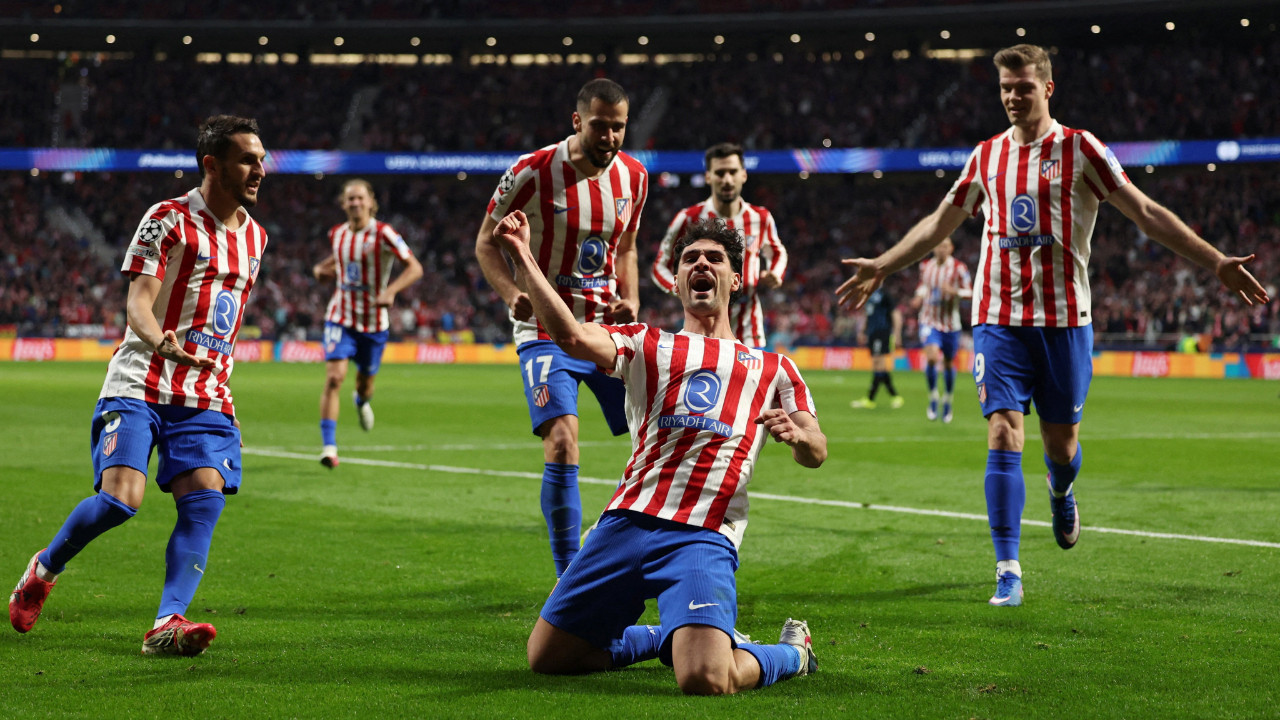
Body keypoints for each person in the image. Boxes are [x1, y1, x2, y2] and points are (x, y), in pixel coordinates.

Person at [836, 44, 1268, 607]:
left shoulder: (1081, 148)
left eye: (1023, 87)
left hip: (1064, 323)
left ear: (1047, 88)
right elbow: (939, 222)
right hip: (997, 319)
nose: (1013, 97)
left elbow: (1146, 213)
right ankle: (1008, 570)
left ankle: (1061, 490)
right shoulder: (986, 156)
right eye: (1005, 88)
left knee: (1061, 448)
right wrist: (882, 264)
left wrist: (1215, 262)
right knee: (1002, 431)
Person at [494, 210, 825, 695]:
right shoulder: (645, 343)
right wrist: (523, 256)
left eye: (714, 258)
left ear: (736, 280)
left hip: (701, 533)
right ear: (676, 281)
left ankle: (793, 654)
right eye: (690, 259)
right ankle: (663, 638)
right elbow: (571, 336)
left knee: (706, 679)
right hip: (626, 522)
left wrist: (798, 437)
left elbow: (816, 450)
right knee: (548, 658)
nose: (701, 264)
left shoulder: (774, 367)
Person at [9, 115, 270, 655]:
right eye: (247, 159)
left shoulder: (256, 237)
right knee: (120, 500)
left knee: (204, 499)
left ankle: (166, 623)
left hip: (204, 393)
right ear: (212, 165)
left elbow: (226, 322)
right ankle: (44, 569)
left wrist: (226, 398)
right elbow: (138, 303)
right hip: (140, 379)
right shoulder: (166, 219)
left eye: (262, 159)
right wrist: (160, 341)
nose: (260, 169)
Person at [474, 78, 648, 578]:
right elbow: (486, 242)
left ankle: (622, 539)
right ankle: (568, 578)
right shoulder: (531, 171)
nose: (610, 137)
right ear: (577, 121)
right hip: (546, 330)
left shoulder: (635, 177)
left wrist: (632, 297)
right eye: (600, 126)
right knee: (563, 441)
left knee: (653, 440)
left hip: (605, 331)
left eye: (618, 127)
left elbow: (628, 247)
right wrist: (511, 294)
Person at [312, 179, 423, 468]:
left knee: (364, 385)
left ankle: (361, 401)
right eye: (350, 198)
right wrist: (321, 270)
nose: (355, 203)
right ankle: (329, 447)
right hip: (340, 317)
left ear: (371, 202)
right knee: (334, 377)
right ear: (343, 203)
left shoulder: (384, 233)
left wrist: (391, 291)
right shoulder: (337, 233)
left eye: (360, 198)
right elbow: (340, 261)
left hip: (373, 323)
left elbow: (415, 267)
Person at [651, 142, 787, 348]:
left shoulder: (760, 217)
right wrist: (678, 287)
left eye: (733, 172)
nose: (727, 180)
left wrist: (775, 273)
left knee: (751, 370)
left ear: (744, 175)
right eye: (720, 173)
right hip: (701, 327)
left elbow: (776, 251)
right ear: (708, 177)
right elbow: (660, 265)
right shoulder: (688, 218)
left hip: (748, 327)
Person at [912, 238, 972, 423]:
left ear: (951, 248)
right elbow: (923, 285)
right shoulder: (925, 266)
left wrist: (954, 292)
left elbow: (970, 292)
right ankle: (933, 397)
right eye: (938, 246)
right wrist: (918, 296)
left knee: (948, 363)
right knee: (931, 357)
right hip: (929, 320)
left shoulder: (959, 268)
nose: (941, 249)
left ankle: (947, 399)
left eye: (945, 246)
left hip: (951, 325)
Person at [849, 285, 904, 409]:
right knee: (880, 367)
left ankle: (870, 399)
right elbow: (867, 315)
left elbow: (896, 314)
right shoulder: (868, 295)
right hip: (872, 334)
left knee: (878, 365)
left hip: (882, 332)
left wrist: (897, 335)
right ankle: (895, 396)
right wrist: (862, 331)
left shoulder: (884, 295)